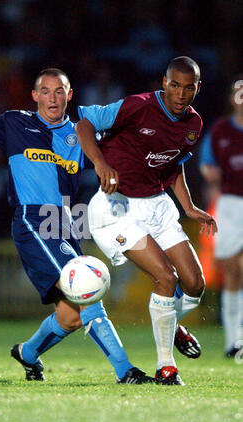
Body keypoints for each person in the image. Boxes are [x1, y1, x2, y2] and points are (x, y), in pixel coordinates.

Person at [0, 67, 155, 385]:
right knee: (86, 292)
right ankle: (126, 371)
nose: (52, 98)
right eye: (45, 91)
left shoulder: (81, 136)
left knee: (70, 315)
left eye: (59, 91)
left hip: (67, 220)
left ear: (70, 96)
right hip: (32, 219)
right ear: (34, 96)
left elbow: (121, 159)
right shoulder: (13, 122)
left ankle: (28, 354)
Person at [75, 56, 218, 386]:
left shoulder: (193, 124)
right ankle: (166, 367)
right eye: (175, 85)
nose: (181, 94)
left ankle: (171, 325)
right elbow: (84, 124)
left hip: (158, 206)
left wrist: (189, 206)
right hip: (117, 208)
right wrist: (99, 163)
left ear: (198, 88)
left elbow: (174, 164)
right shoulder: (136, 106)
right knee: (166, 278)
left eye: (189, 87)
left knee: (195, 285)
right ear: (164, 82)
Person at [199, 76, 243, 357]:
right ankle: (232, 341)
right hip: (229, 203)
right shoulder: (220, 130)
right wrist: (210, 175)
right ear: (231, 97)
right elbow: (207, 164)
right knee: (232, 270)